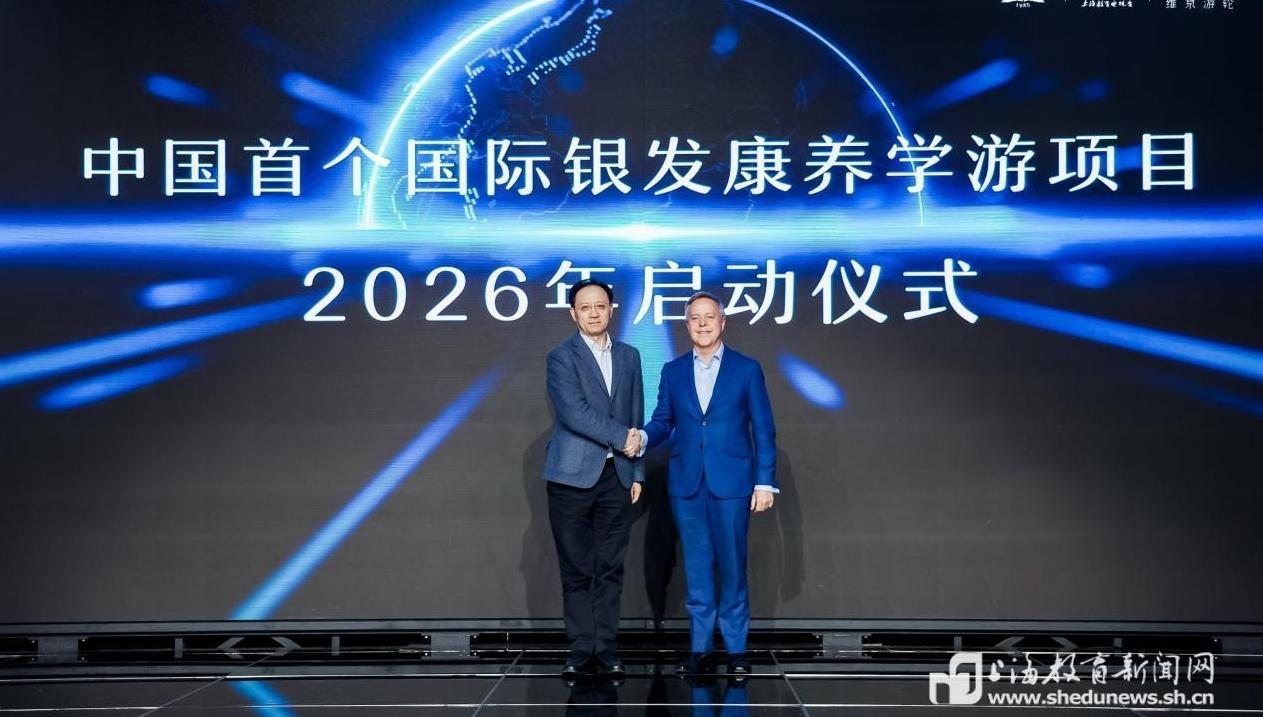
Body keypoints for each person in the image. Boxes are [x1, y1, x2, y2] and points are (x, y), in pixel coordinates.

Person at [640, 291, 778, 677]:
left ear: (722, 322)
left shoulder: (746, 369)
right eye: (694, 318)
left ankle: (736, 651)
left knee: (732, 567)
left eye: (709, 317)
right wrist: (642, 437)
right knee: (697, 569)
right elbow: (663, 420)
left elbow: (764, 429)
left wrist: (765, 482)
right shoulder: (673, 371)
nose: (702, 324)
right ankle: (700, 650)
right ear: (686, 325)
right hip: (686, 484)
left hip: (732, 483)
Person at [544, 278, 645, 678]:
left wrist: (636, 470)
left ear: (611, 310)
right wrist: (624, 439)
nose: (593, 313)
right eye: (584, 307)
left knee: (610, 568)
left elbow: (635, 412)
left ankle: (606, 649)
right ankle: (580, 650)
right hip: (570, 478)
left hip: (616, 475)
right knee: (576, 569)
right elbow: (574, 412)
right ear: (573, 314)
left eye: (600, 306)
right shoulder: (560, 357)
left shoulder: (629, 356)